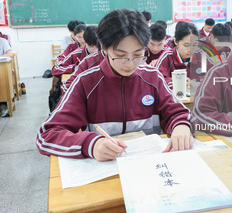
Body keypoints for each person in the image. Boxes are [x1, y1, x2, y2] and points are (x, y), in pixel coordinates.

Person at [36, 9, 193, 161]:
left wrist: (181, 125)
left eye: (138, 55)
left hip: (149, 166)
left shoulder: (152, 77)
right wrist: (90, 144)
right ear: (104, 47)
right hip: (105, 171)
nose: (130, 64)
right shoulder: (86, 83)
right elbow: (47, 135)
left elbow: (178, 113)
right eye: (120, 55)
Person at [156, 22, 200, 89]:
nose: (191, 50)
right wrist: (178, 82)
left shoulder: (201, 56)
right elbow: (156, 80)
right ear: (176, 41)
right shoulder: (167, 57)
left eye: (194, 45)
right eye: (186, 45)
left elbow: (213, 76)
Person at [61, 28, 104, 94]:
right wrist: (74, 67)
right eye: (91, 47)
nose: (94, 51)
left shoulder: (107, 57)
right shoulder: (80, 55)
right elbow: (67, 86)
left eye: (97, 48)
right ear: (85, 43)